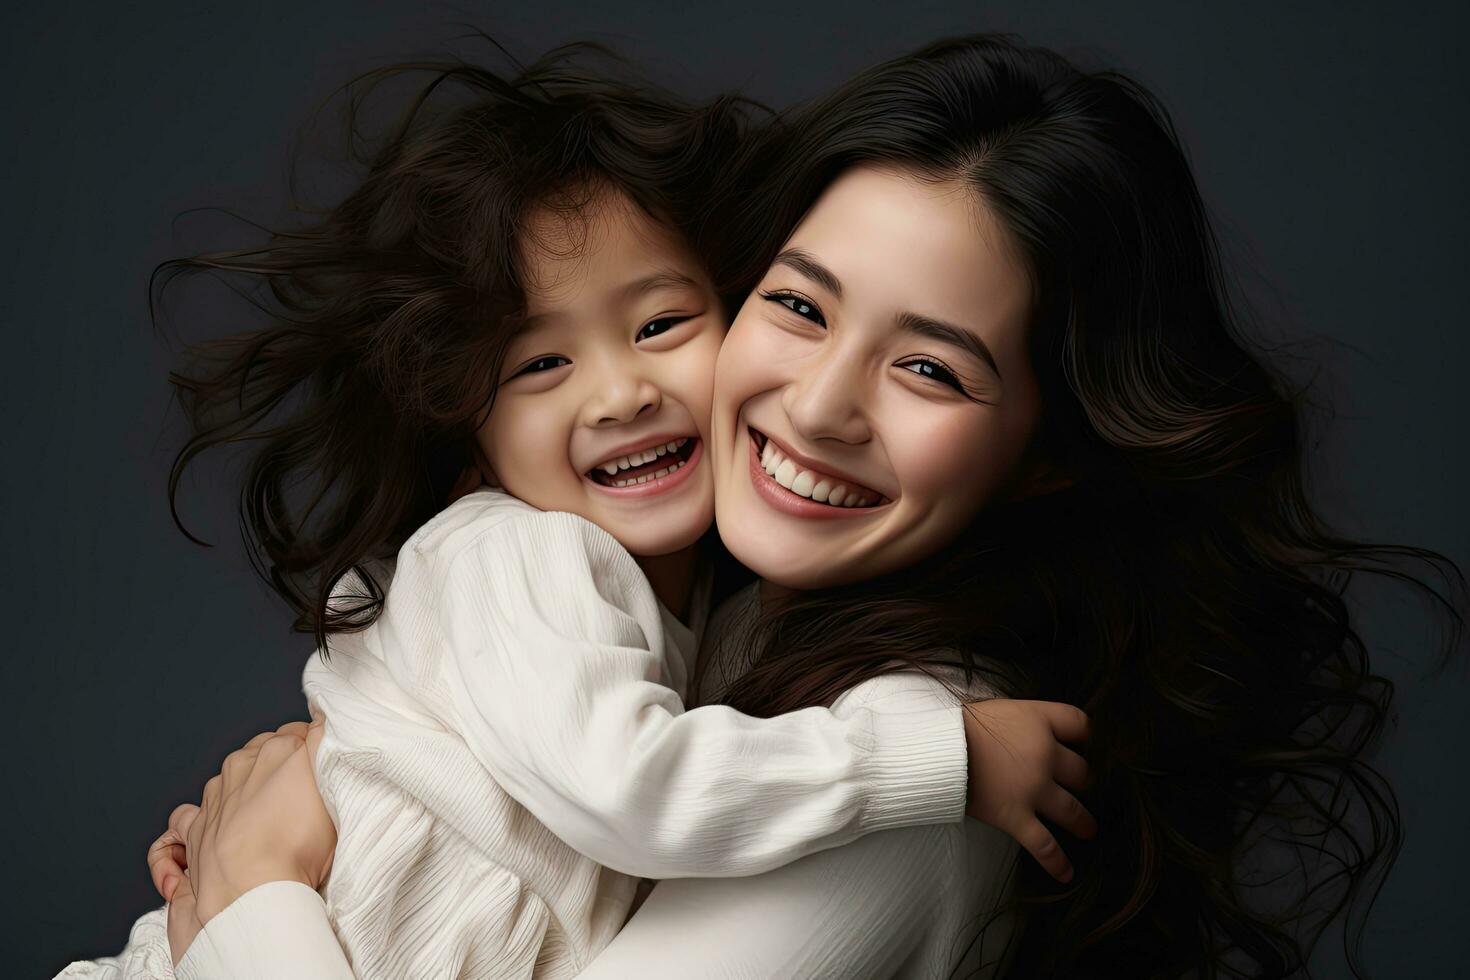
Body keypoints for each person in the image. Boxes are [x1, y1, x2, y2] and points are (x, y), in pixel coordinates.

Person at [132, 33, 1465, 978]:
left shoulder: (924, 760)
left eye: (930, 366)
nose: (820, 404)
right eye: (798, 304)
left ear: (1050, 448)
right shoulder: (661, 612)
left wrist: (251, 902)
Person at [54, 43, 1096, 980]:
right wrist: (943, 761)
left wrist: (249, 894)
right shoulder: (528, 555)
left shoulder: (867, 709)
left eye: (661, 321)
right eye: (800, 305)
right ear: (470, 423)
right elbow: (631, 786)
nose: (620, 392)